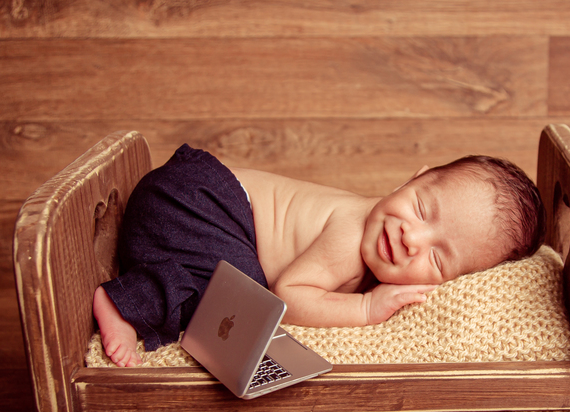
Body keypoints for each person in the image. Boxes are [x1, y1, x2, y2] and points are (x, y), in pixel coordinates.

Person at [94, 144, 545, 366]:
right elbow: (288, 294)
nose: (411, 238)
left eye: (439, 258)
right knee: (240, 303)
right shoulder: (352, 234)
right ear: (415, 177)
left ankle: (150, 288)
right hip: (195, 200)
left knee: (229, 295)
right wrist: (366, 309)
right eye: (422, 208)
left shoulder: (385, 241)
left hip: (194, 212)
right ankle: (125, 302)